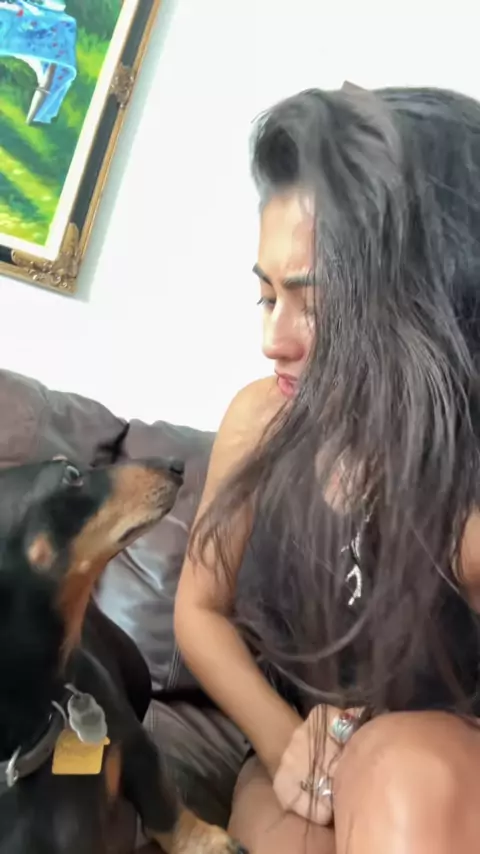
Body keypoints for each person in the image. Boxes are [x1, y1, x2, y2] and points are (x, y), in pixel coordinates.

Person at [174, 84, 480, 854]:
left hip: (439, 771)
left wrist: (372, 752)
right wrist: (289, 744)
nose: (273, 340)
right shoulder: (260, 420)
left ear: (419, 298)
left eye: (311, 303)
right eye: (265, 298)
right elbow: (199, 610)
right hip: (295, 757)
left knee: (402, 774)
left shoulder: (462, 489)